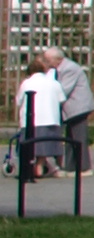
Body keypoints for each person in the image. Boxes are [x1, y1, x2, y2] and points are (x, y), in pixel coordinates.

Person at [14, 55, 61, 184]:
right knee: (44, 146)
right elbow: (62, 99)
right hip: (50, 118)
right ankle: (40, 166)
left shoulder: (27, 83)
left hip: (30, 120)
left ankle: (29, 167)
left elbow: (19, 101)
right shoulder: (53, 83)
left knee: (29, 144)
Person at [51, 48, 92, 178]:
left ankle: (84, 167)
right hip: (71, 109)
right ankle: (71, 167)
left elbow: (63, 89)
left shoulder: (69, 68)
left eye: (48, 60)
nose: (47, 62)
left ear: (57, 59)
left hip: (78, 107)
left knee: (79, 137)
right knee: (70, 138)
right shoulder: (61, 68)